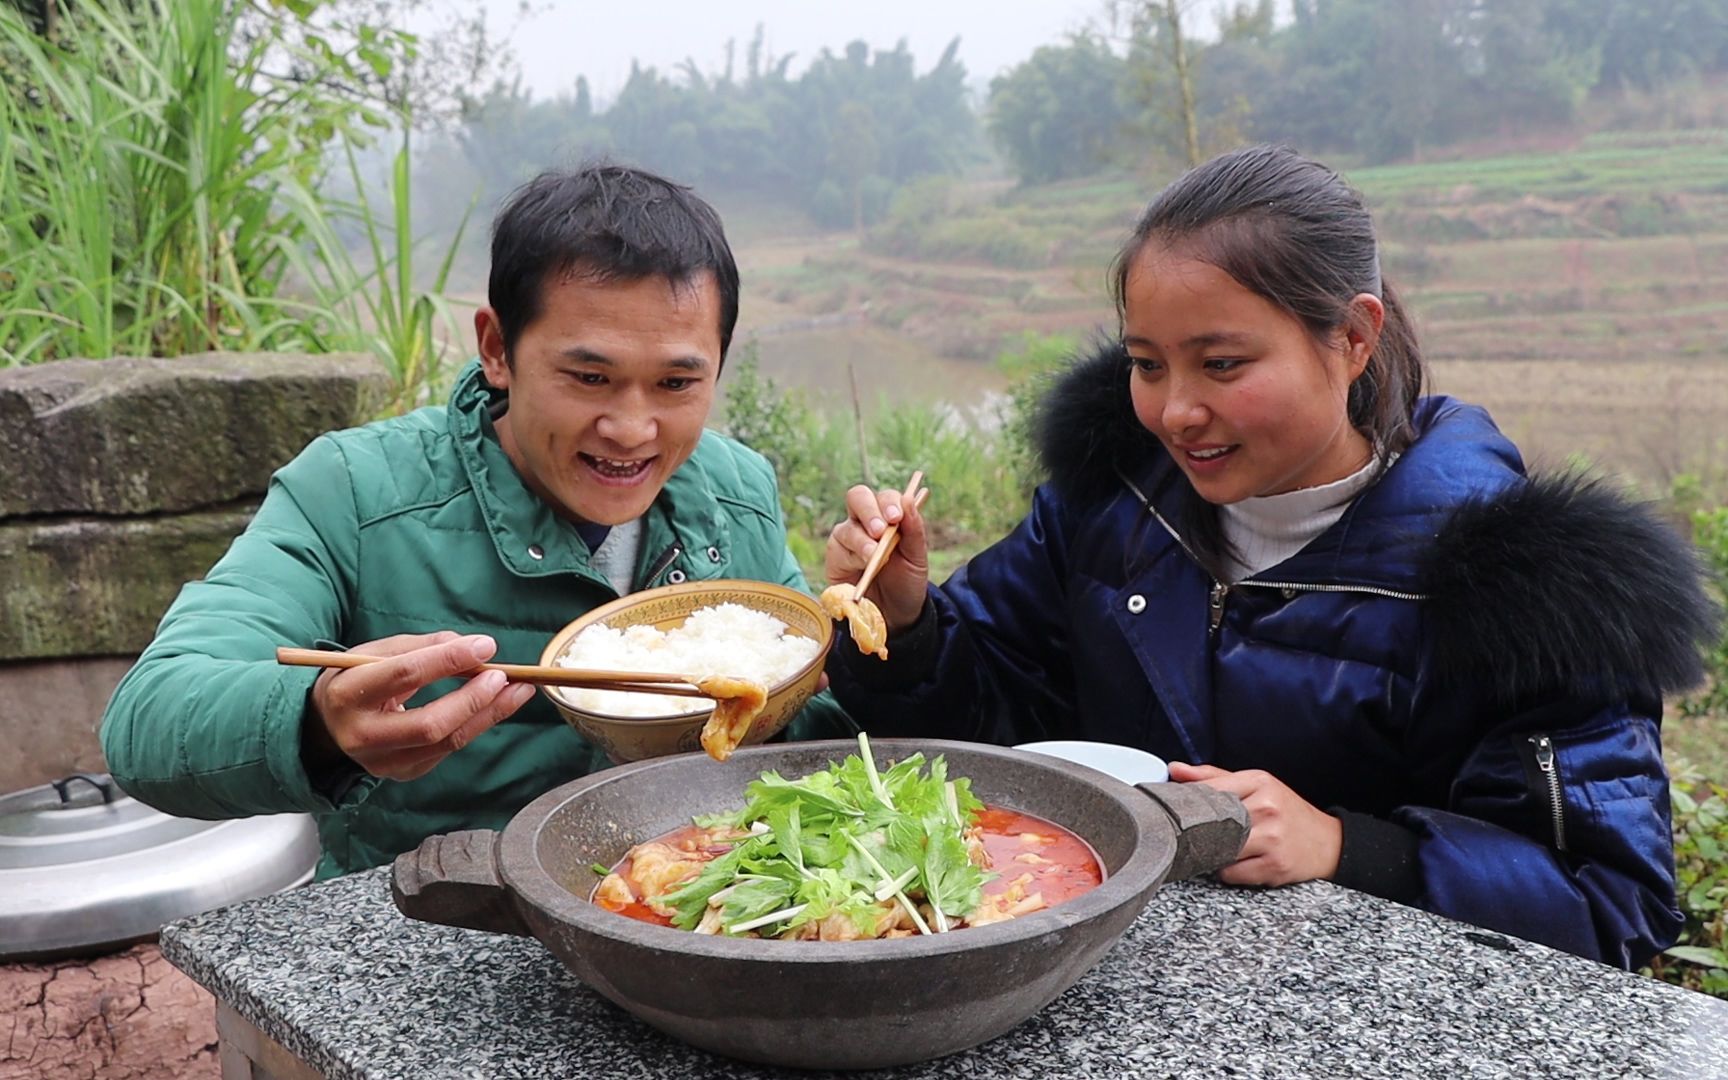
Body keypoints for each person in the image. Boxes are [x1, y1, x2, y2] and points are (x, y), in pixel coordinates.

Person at [822, 144, 1718, 969]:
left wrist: (1348, 847)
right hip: (1103, 981)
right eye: (1147, 364)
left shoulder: (1521, 589)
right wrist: (905, 624)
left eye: (1221, 364)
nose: (1174, 412)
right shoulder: (1115, 504)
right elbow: (995, 714)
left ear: (1353, 337)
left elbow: (1611, 902)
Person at [102, 163, 851, 878]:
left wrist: (895, 634)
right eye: (589, 377)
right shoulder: (356, 491)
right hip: (428, 936)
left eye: (676, 383)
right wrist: (318, 725)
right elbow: (150, 718)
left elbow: (821, 723)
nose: (631, 429)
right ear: (497, 348)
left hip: (674, 919)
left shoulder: (734, 493)